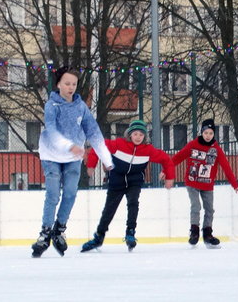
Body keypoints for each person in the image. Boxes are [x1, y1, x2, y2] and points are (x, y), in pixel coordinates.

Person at [32, 66, 113, 258]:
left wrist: (106, 159)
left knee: (70, 193)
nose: (70, 87)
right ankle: (45, 233)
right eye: (67, 83)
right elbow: (51, 131)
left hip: (73, 157)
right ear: (59, 84)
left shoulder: (80, 107)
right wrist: (70, 146)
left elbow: (93, 131)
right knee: (53, 194)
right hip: (51, 155)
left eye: (74, 84)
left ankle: (59, 230)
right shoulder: (52, 106)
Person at [82, 119, 174, 252]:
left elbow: (166, 159)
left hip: (134, 181)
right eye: (135, 134)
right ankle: (99, 237)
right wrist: (91, 164)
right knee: (109, 209)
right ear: (129, 134)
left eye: (141, 135)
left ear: (145, 137)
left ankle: (130, 232)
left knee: (133, 203)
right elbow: (98, 146)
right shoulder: (118, 144)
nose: (138, 137)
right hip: (116, 181)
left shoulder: (148, 150)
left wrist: (169, 177)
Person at [172, 119, 238, 248]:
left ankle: (208, 234)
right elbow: (179, 157)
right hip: (192, 182)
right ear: (202, 132)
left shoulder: (216, 150)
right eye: (206, 132)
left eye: (211, 133)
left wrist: (234, 184)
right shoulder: (193, 145)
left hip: (207, 184)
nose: (208, 135)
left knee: (209, 209)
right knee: (196, 206)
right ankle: (194, 232)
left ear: (213, 134)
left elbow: (226, 167)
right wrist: (166, 169)